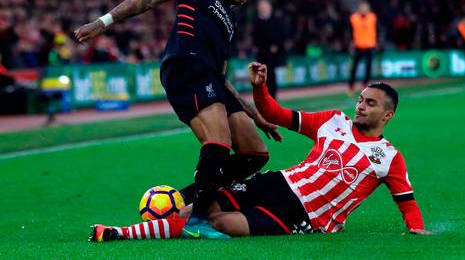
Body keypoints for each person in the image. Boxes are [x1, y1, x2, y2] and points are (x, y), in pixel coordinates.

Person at [89, 62, 431, 241]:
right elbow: (276, 114)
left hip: (304, 216)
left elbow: (407, 202)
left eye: (370, 104)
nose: (360, 106)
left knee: (219, 222)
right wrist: (259, 88)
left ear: (387, 115)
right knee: (203, 205)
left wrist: (416, 228)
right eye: (361, 99)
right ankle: (128, 230)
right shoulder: (333, 121)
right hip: (277, 183)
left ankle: (142, 232)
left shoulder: (388, 157)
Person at [74, 0, 283, 238]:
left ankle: (185, 199)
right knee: (218, 141)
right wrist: (103, 22)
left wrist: (253, 113)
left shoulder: (230, 21)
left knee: (255, 154)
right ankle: (197, 221)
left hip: (210, 77)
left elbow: (221, 76)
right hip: (185, 67)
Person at [253, 0, 287, 98]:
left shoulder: (276, 20)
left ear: (270, 8)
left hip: (272, 54)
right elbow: (255, 36)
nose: (263, 9)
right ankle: (263, 97)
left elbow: (282, 35)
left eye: (265, 6)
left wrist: (276, 46)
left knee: (271, 76)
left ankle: (272, 97)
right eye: (261, 7)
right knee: (261, 76)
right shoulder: (257, 21)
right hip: (261, 53)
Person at [347, 2, 378, 95]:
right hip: (358, 46)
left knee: (368, 67)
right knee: (354, 68)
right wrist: (350, 42)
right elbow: (349, 30)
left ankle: (365, 84)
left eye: (366, 8)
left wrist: (377, 42)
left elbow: (376, 30)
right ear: (359, 9)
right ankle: (351, 86)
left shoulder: (372, 17)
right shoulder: (354, 18)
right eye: (362, 8)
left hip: (370, 46)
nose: (364, 10)